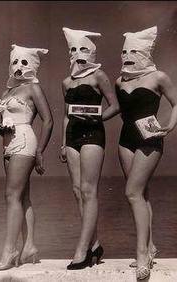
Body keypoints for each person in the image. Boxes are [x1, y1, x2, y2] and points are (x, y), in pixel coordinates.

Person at [116, 26, 177, 280]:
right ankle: (150, 247)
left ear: (144, 52)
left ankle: (141, 255)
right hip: (125, 139)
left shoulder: (158, 77)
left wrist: (170, 126)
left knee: (132, 192)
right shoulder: (120, 80)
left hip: (150, 137)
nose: (128, 55)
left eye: (134, 51)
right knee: (141, 194)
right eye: (125, 51)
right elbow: (120, 111)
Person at [60, 27, 120, 270]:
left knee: (88, 189)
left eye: (83, 49)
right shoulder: (66, 82)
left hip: (93, 134)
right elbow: (65, 116)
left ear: (91, 51)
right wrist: (63, 143)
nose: (77, 54)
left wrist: (99, 119)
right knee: (77, 190)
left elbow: (114, 105)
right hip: (73, 136)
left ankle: (81, 250)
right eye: (73, 49)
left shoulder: (99, 76)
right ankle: (95, 244)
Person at [0, 44, 53, 270]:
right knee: (22, 196)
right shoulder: (6, 91)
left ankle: (9, 251)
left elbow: (48, 120)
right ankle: (29, 247)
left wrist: (40, 151)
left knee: (11, 195)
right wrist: (0, 128)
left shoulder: (33, 88)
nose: (19, 67)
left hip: (24, 141)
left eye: (24, 62)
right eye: (15, 62)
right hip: (7, 144)